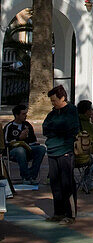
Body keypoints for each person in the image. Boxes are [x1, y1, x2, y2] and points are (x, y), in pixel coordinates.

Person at [42, 85, 81, 224]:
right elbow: (45, 127)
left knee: (67, 183)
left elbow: (68, 128)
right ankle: (58, 212)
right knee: (55, 183)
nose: (53, 103)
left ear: (62, 98)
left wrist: (56, 128)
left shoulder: (71, 111)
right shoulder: (52, 114)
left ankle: (70, 215)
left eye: (54, 100)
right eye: (51, 101)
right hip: (52, 151)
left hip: (65, 151)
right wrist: (56, 128)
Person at [3, 104, 46, 184]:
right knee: (20, 150)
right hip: (14, 152)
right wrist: (19, 138)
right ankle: (26, 177)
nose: (25, 116)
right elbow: (6, 142)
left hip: (28, 149)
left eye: (26, 114)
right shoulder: (9, 127)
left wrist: (32, 142)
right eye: (23, 114)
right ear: (16, 115)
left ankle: (32, 176)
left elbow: (33, 141)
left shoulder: (27, 125)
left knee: (41, 149)